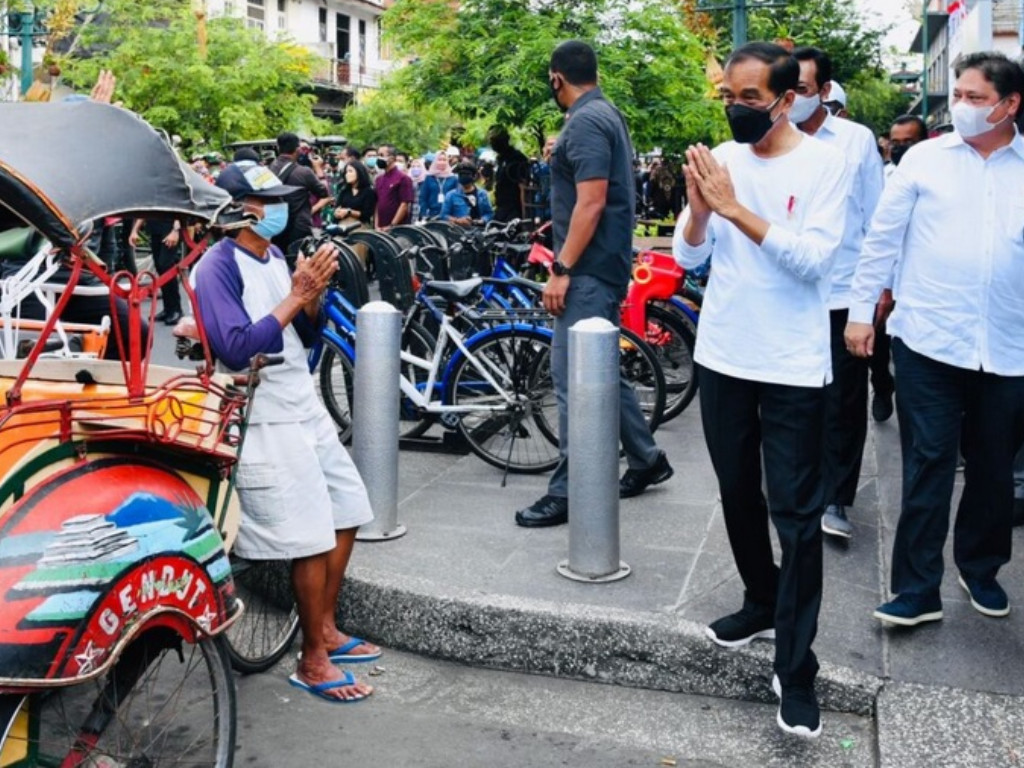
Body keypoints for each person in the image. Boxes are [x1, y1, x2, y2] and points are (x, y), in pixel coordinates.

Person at [674, 41, 849, 738]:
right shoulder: (723, 158)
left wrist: (735, 209)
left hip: (791, 365)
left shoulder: (824, 163)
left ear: (786, 100)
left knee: (797, 513)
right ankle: (759, 597)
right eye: (730, 97)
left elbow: (813, 260)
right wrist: (698, 209)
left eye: (750, 99)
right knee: (737, 490)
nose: (737, 109)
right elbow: (691, 257)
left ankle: (796, 665)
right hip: (723, 356)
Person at [846, 51, 1024, 627]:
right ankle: (917, 588)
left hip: (1009, 345)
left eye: (976, 97)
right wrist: (860, 314)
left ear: (1009, 103)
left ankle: (981, 567)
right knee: (928, 461)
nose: (963, 106)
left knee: (994, 466)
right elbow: (880, 243)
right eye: (960, 95)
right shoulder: (924, 160)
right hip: (928, 341)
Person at [194, 160, 380, 703]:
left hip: (303, 403)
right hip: (263, 414)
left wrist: (312, 297)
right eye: (268, 200)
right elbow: (235, 345)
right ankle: (312, 661)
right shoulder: (216, 268)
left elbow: (305, 331)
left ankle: (323, 628)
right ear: (238, 210)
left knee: (349, 509)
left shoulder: (274, 254)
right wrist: (298, 295)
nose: (279, 208)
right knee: (309, 534)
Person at [515, 40, 673, 530]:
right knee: (601, 371)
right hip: (602, 266)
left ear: (556, 78)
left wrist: (561, 269)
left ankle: (568, 491)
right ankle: (647, 459)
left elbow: (591, 203)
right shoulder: (605, 114)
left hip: (585, 271)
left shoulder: (584, 121)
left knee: (573, 383)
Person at [790, 46, 884, 540]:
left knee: (843, 402)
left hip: (843, 294)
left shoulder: (855, 141)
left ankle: (836, 497)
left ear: (825, 92)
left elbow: (876, 221)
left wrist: (874, 297)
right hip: (788, 296)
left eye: (802, 90)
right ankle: (795, 486)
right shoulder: (769, 138)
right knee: (793, 398)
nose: (792, 100)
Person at [869, 115, 928, 423]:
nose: (902, 148)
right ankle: (882, 386)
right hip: (886, 278)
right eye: (896, 142)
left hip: (921, 284)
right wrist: (884, 285)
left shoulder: (937, 177)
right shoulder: (883, 178)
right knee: (877, 343)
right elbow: (879, 237)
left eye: (910, 142)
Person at [269, 132, 333, 253]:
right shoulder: (304, 172)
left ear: (278, 148)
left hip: (275, 225)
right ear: (297, 150)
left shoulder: (268, 170)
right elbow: (324, 192)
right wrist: (319, 169)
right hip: (299, 228)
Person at [129, 217, 184, 324]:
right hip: (155, 226)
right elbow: (146, 207)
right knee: (160, 266)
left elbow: (178, 210)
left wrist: (175, 230)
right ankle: (168, 308)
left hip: (170, 226)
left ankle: (176, 309)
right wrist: (135, 230)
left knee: (166, 265)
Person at [489, 126, 531, 223]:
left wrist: (525, 217)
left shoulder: (516, 159)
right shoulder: (501, 159)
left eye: (494, 140)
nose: (491, 144)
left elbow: (523, 187)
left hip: (514, 212)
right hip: (501, 210)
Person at [374, 144, 415, 229]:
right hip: (380, 228)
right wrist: (376, 225)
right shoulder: (379, 179)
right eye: (378, 155)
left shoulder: (403, 178)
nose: (378, 158)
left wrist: (392, 225)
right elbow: (378, 203)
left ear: (392, 158)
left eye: (381, 155)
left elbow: (404, 205)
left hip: (397, 229)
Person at [440, 162, 494, 226]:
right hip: (458, 231)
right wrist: (457, 220)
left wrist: (482, 221)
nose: (463, 176)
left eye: (466, 174)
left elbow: (489, 213)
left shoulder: (482, 194)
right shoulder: (451, 195)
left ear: (474, 176)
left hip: (478, 231)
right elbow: (443, 215)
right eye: (461, 174)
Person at [333, 160, 377, 227]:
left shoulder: (368, 191)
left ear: (359, 172)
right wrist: (337, 212)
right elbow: (338, 206)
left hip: (360, 227)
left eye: (350, 171)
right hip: (342, 225)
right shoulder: (344, 190)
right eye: (346, 172)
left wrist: (349, 212)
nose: (347, 174)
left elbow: (367, 214)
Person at [419, 152, 458, 220]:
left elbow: (457, 197)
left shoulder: (453, 178)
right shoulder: (429, 177)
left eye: (444, 160)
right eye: (439, 159)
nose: (442, 162)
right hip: (431, 214)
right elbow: (423, 197)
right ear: (435, 161)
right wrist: (424, 213)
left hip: (449, 215)